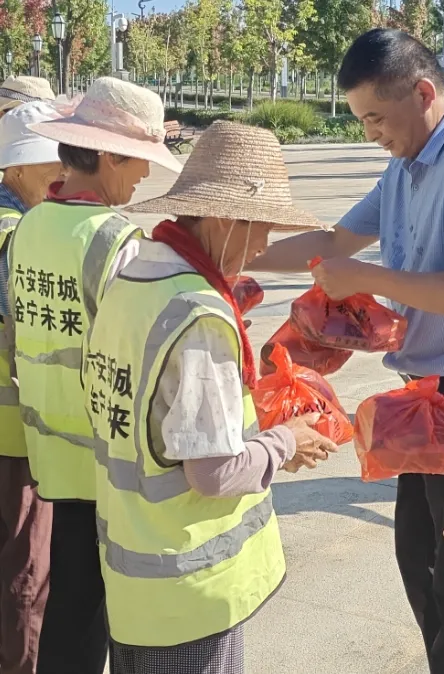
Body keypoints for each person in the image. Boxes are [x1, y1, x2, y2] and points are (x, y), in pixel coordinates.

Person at [248, 28, 444, 674]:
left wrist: (371, 278)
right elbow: (334, 240)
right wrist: (231, 255)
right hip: (428, 390)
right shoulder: (404, 166)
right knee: (419, 552)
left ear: (424, 92)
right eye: (361, 120)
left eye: (376, 117)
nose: (369, 132)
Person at [86, 120, 336, 674]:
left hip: (133, 581)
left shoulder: (133, 278)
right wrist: (282, 443)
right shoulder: (200, 314)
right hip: (189, 596)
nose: (266, 244)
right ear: (225, 219)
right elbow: (214, 473)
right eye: (263, 227)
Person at [7, 77, 181, 674]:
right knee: (106, 624)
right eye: (138, 163)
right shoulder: (115, 239)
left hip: (49, 456)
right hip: (108, 463)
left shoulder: (29, 227)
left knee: (67, 612)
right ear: (107, 156)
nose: (143, 179)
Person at [0, 101, 62, 674]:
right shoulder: (19, 233)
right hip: (13, 436)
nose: (61, 169)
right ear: (15, 169)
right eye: (49, 159)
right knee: (24, 573)